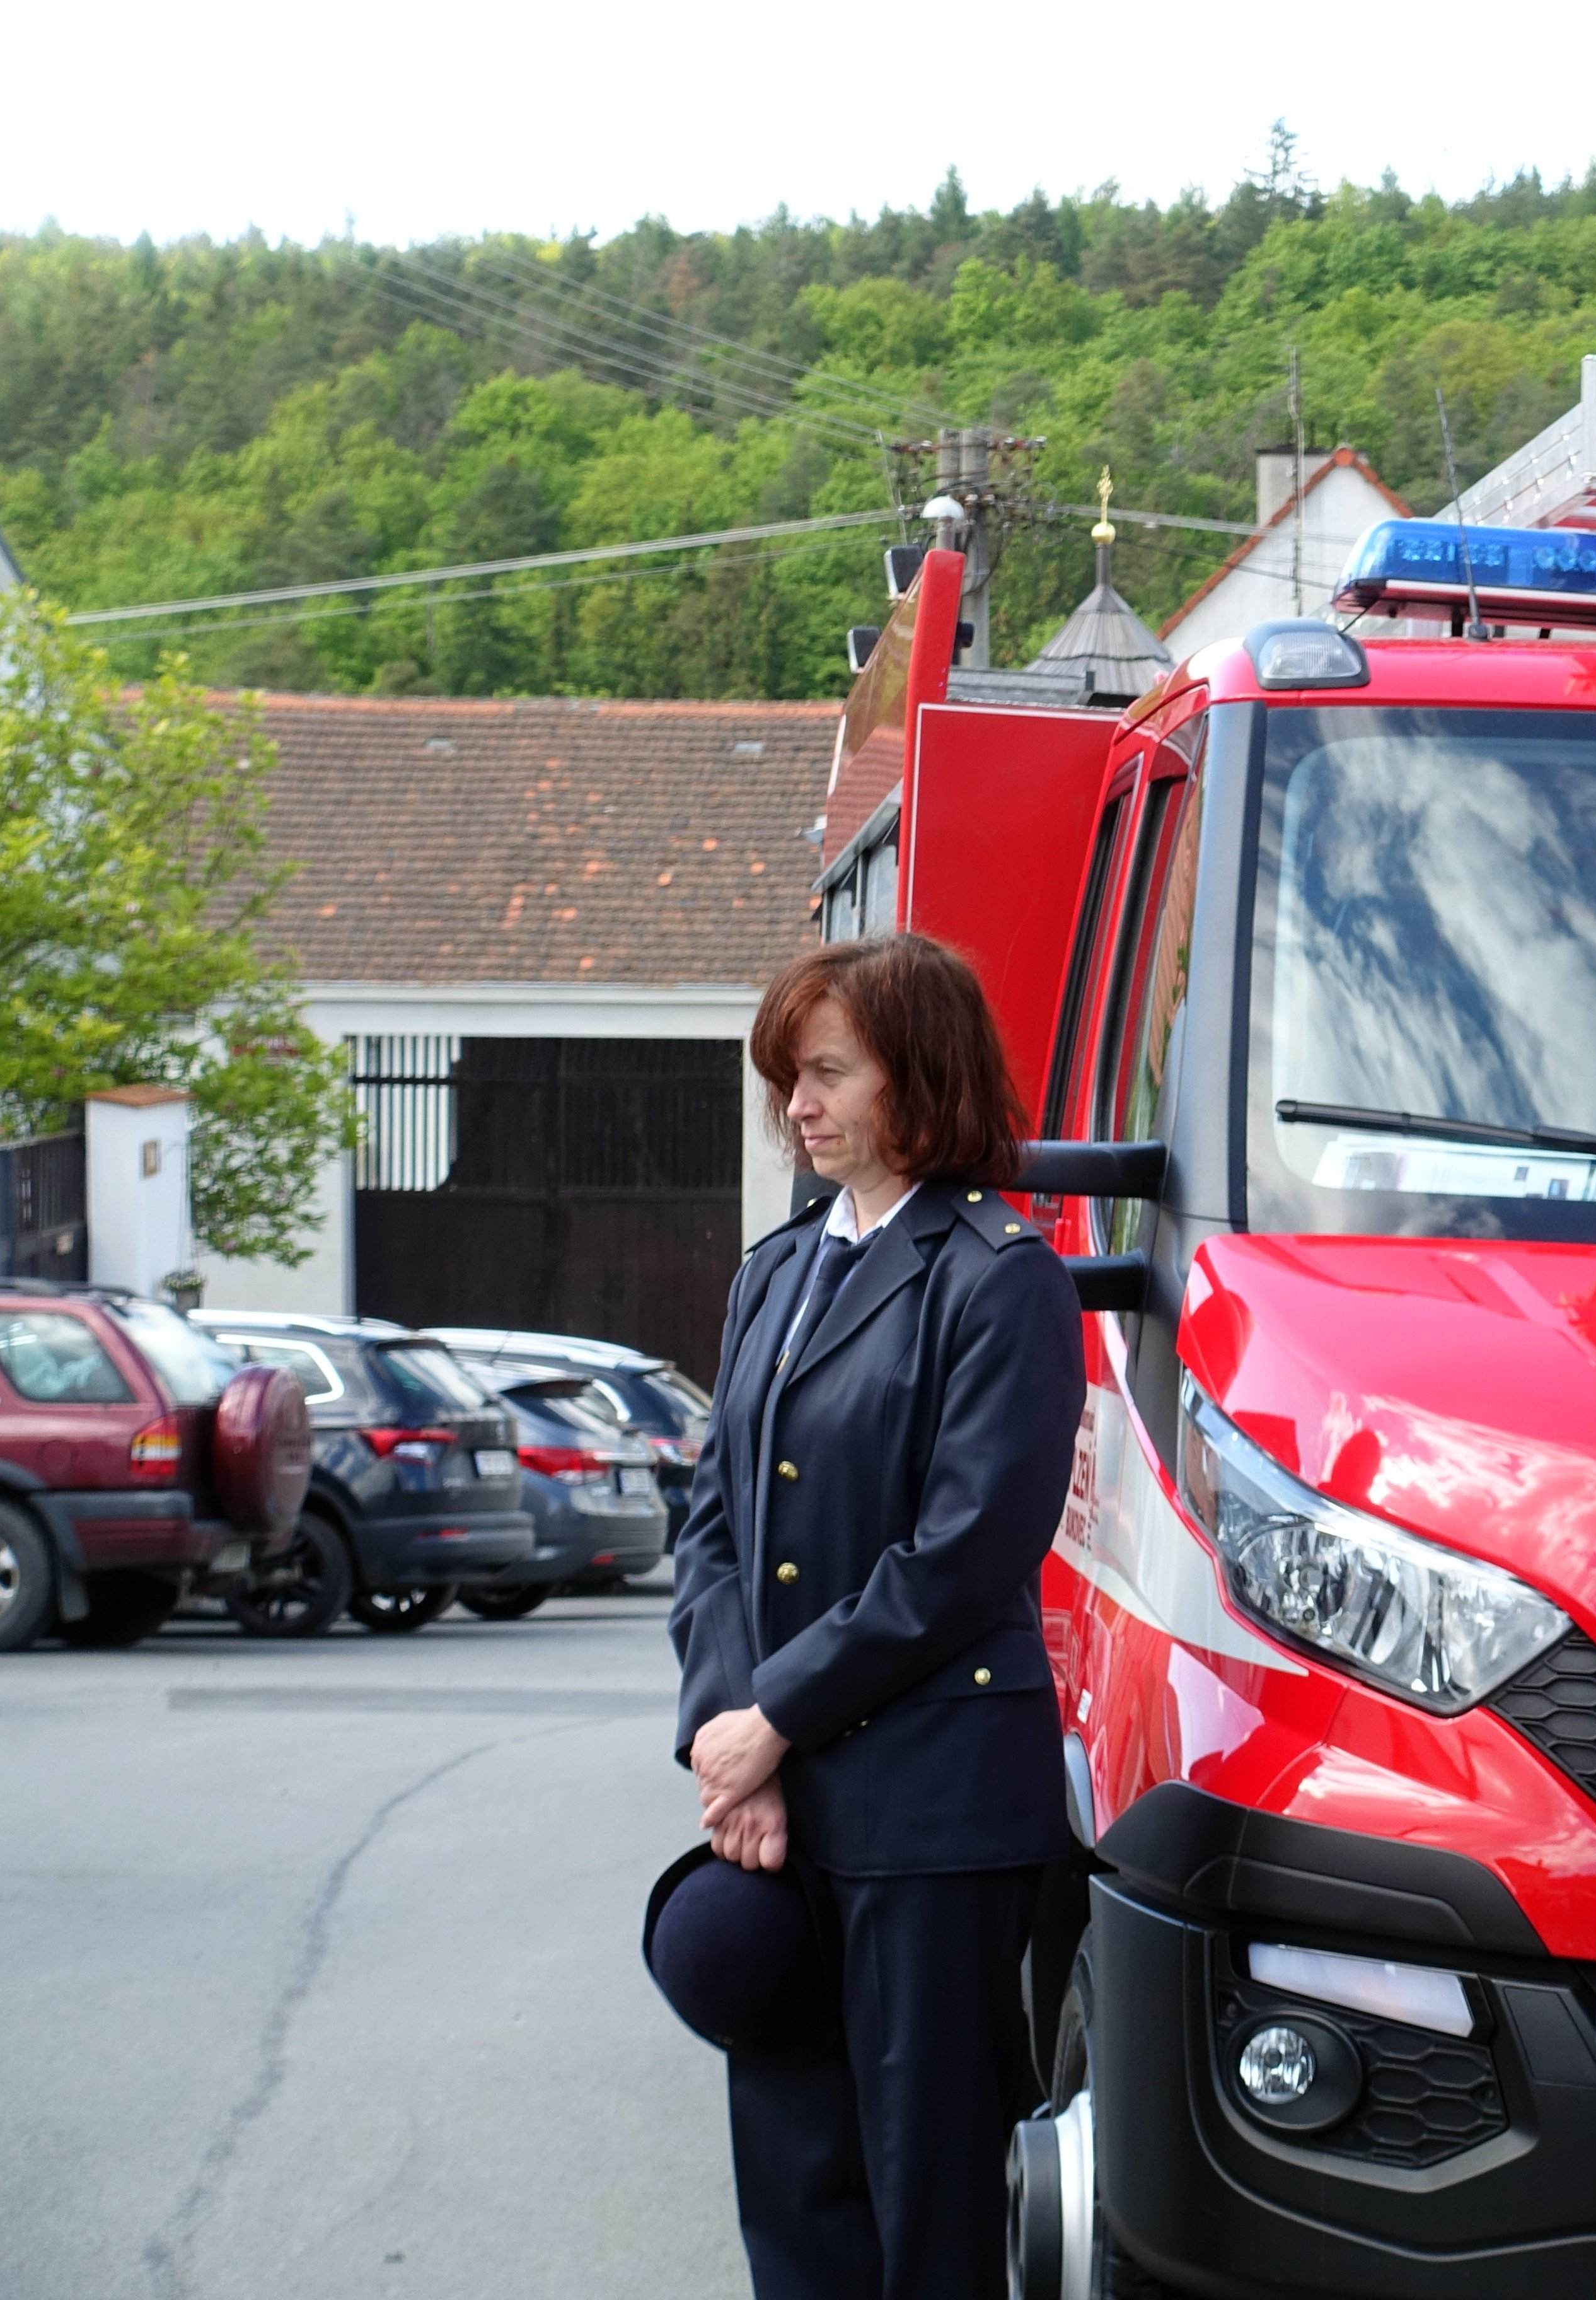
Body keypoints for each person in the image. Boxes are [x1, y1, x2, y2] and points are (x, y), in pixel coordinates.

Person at [666, 931, 1084, 2300]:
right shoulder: (774, 1274)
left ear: (922, 1077)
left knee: (930, 2188)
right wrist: (730, 1739)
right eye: (791, 1075)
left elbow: (964, 1555)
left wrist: (775, 1720)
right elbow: (714, 1525)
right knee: (792, 2180)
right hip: (781, 1804)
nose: (799, 1103)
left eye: (828, 1071)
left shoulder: (998, 1277)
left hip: (935, 1811)